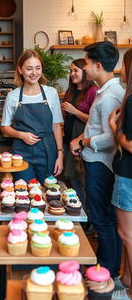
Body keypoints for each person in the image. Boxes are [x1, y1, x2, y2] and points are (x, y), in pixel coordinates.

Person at [70, 41, 124, 278]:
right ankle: (106, 268)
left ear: (98, 65)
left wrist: (82, 142)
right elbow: (96, 127)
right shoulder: (105, 92)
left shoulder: (111, 96)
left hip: (102, 165)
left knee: (103, 220)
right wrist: (81, 139)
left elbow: (108, 138)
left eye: (87, 63)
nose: (85, 67)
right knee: (105, 219)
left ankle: (106, 272)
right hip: (97, 162)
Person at [1, 49, 64, 184]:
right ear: (20, 69)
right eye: (29, 69)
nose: (34, 73)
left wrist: (60, 154)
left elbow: (56, 125)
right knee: (23, 193)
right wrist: (21, 135)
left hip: (48, 152)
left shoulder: (51, 93)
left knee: (48, 193)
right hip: (22, 154)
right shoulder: (12, 96)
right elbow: (5, 127)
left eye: (38, 68)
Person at [109, 48, 132, 299]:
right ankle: (126, 279)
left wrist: (113, 126)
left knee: (127, 234)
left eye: (124, 66)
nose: (121, 71)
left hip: (128, 174)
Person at [61, 59, 97, 213]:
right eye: (71, 71)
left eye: (76, 70)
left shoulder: (92, 91)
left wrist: (75, 111)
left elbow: (96, 121)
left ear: (85, 70)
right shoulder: (70, 91)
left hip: (83, 140)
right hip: (69, 139)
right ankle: (82, 213)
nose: (72, 73)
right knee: (73, 179)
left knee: (83, 180)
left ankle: (89, 216)